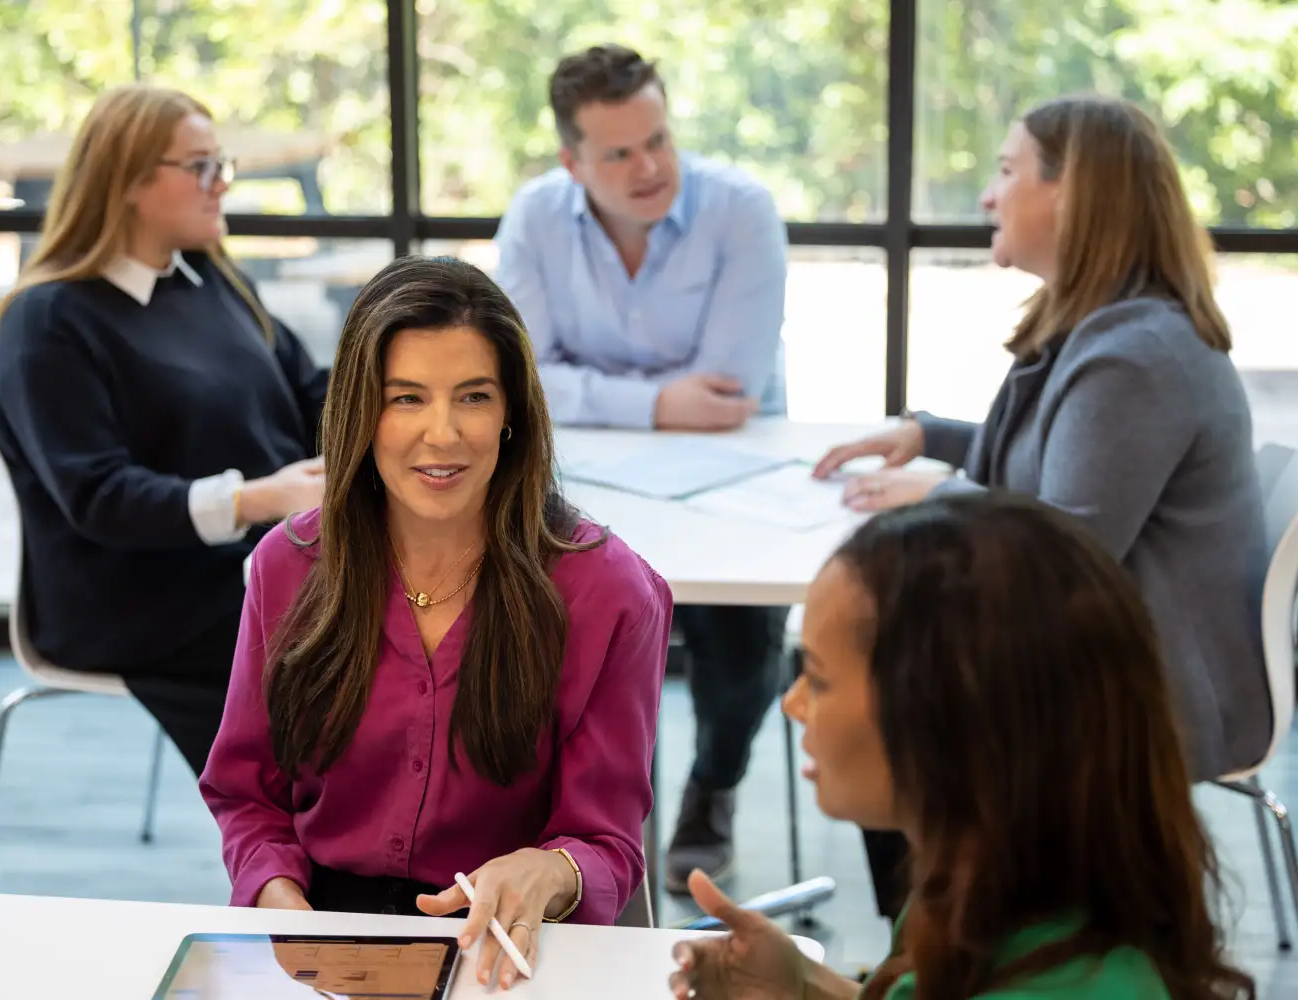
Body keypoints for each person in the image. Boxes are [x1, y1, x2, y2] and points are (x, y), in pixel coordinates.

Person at [814, 93, 1271, 921]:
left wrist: (943, 495)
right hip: (1109, 658)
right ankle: (936, 932)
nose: (989, 195)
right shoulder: (1109, 331)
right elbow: (1061, 457)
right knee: (871, 671)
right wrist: (933, 436)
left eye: (1005, 171)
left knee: (884, 684)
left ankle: (948, 935)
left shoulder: (1138, 357)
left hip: (1147, 693)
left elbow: (1067, 546)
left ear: (1073, 193)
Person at [199, 256, 672, 991]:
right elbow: (247, 794)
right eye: (407, 398)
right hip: (321, 930)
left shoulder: (609, 592)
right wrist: (280, 902)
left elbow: (607, 842)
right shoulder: (286, 567)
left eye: (474, 397)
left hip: (508, 943)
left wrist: (549, 869)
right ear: (361, 409)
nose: (443, 434)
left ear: (511, 410)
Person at [670, 494, 1256, 1000]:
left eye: (818, 679)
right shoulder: (987, 888)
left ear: (944, 715)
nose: (793, 704)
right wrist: (803, 985)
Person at [494, 42, 791, 894]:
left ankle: (713, 786)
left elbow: (728, 383)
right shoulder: (537, 217)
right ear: (571, 160)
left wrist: (590, 388)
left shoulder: (741, 210)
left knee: (742, 663)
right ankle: (584, 816)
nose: (650, 166)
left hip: (731, 474)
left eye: (658, 139)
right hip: (590, 479)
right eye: (619, 152)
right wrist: (659, 402)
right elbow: (520, 374)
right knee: (562, 629)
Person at [0, 84, 330, 776]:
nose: (222, 182)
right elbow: (100, 497)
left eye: (220, 162)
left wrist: (407, 413)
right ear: (129, 183)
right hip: (138, 599)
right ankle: (321, 860)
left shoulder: (209, 278)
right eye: (201, 166)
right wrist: (257, 500)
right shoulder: (49, 323)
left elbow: (310, 391)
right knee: (351, 653)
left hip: (245, 564)